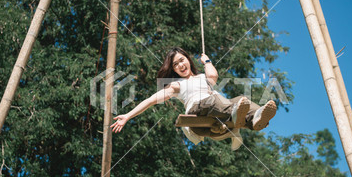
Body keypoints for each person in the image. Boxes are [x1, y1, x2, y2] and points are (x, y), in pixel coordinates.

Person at [110, 47, 277, 150]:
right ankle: (234, 114)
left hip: (218, 119)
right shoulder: (176, 85)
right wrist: (127, 116)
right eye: (176, 64)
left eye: (182, 60)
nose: (181, 65)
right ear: (174, 69)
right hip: (198, 116)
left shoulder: (203, 78)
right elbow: (150, 100)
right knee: (212, 101)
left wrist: (207, 61)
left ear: (188, 60)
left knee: (241, 98)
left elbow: (213, 74)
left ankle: (256, 120)